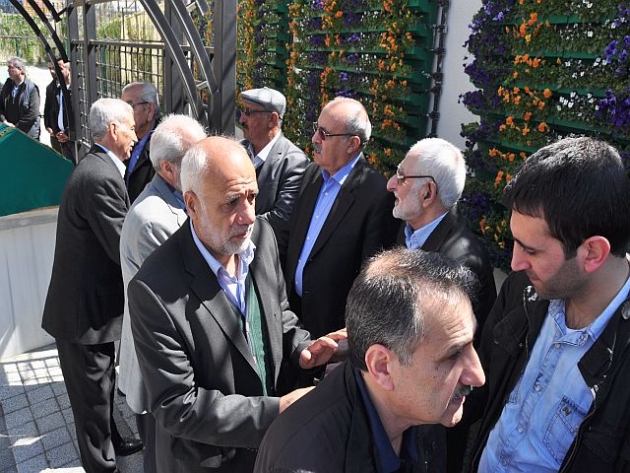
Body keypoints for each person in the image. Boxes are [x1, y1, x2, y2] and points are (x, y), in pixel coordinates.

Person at [128, 135, 347, 473]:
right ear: (192, 204)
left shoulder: (262, 237)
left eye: (252, 197)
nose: (248, 216)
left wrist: (304, 350)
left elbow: (279, 315)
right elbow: (177, 406)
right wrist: (276, 411)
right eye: (231, 202)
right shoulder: (153, 289)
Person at [464, 137, 630, 472]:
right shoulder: (521, 291)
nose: (515, 263)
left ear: (593, 253)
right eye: (515, 242)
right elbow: (479, 386)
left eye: (531, 250)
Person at [254, 248, 486, 472]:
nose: (478, 376)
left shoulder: (424, 410)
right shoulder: (301, 460)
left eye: (471, 345)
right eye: (452, 355)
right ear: (382, 366)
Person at [41, 98, 142, 473]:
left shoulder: (98, 167)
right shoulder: (100, 176)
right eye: (131, 127)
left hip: (88, 311)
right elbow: (123, 247)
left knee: (101, 387)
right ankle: (102, 465)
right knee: (91, 399)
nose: (135, 136)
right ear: (114, 129)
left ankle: (111, 440)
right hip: (81, 318)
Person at [118, 114, 207, 473]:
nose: (205, 162)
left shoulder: (176, 200)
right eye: (195, 156)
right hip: (160, 379)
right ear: (169, 169)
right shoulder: (154, 218)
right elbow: (188, 294)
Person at [282, 96, 399, 339]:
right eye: (316, 128)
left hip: (331, 331)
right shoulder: (312, 174)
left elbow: (370, 279)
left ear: (352, 144)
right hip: (291, 317)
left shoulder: (377, 196)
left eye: (324, 134)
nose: (315, 139)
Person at [387, 138, 496, 337]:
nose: (391, 184)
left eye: (401, 177)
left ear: (427, 194)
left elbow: (432, 345)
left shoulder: (459, 264)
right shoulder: (409, 227)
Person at [238, 87, 309, 236]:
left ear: (272, 119)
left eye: (249, 112)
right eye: (242, 111)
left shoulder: (294, 162)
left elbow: (281, 219)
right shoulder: (237, 150)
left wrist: (232, 224)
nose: (241, 119)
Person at [121, 81, 161, 202]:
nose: (123, 114)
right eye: (122, 107)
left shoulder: (162, 146)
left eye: (129, 106)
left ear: (150, 110)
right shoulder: (122, 137)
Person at [44, 58, 75, 163]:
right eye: (50, 68)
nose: (54, 71)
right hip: (59, 138)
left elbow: (79, 116)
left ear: (69, 69)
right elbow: (51, 110)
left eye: (59, 69)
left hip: (74, 140)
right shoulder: (55, 88)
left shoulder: (78, 90)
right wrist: (54, 130)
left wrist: (68, 133)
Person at [0, 56, 40, 139]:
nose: (8, 70)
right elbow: (1, 105)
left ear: (20, 69)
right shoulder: (7, 85)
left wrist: (16, 128)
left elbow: (32, 113)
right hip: (9, 131)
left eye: (11, 68)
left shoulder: (32, 88)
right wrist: (4, 121)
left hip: (28, 133)